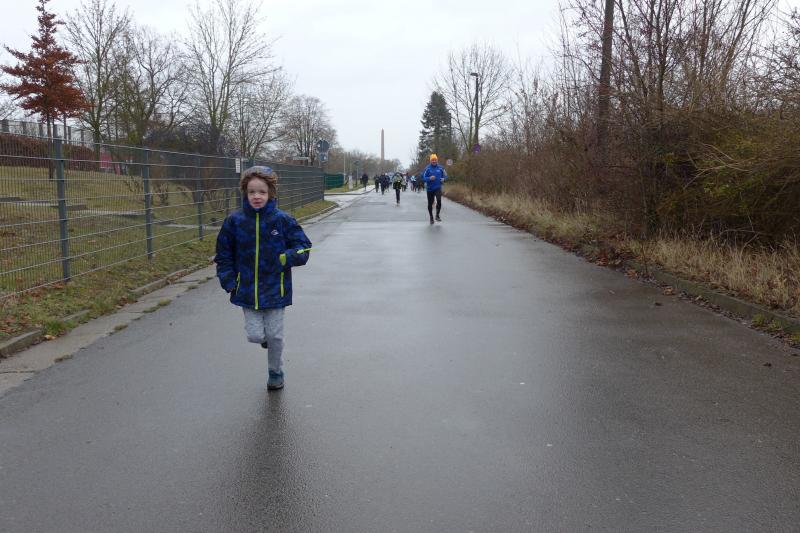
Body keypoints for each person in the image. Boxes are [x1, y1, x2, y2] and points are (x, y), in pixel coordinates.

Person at [214, 166, 312, 391]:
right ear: (245, 193)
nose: (256, 196)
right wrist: (229, 281)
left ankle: (275, 372)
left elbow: (303, 247)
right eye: (252, 192)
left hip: (276, 289)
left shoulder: (282, 220)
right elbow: (223, 254)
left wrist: (286, 257)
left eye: (262, 192)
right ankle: (265, 339)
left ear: (270, 193)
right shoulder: (234, 221)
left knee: (275, 336)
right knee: (255, 335)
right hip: (246, 290)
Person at [421, 153, 447, 224]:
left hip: (438, 187)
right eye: (432, 160)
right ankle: (431, 217)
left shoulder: (441, 168)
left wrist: (444, 179)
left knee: (439, 201)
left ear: (437, 160)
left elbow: (446, 176)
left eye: (435, 160)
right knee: (430, 203)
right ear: (430, 161)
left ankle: (437, 215)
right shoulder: (427, 168)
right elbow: (423, 177)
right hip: (430, 188)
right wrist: (429, 178)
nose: (434, 161)